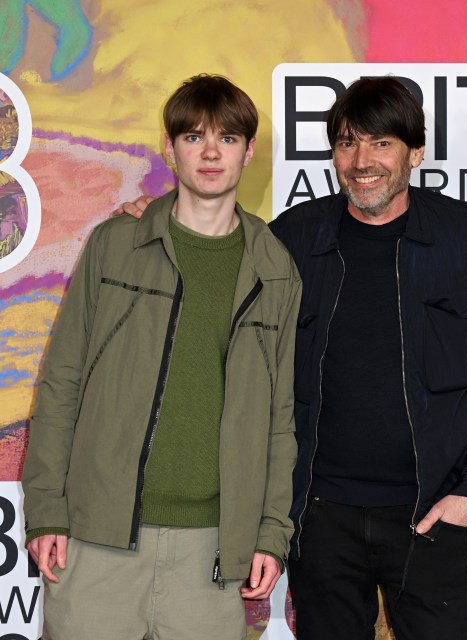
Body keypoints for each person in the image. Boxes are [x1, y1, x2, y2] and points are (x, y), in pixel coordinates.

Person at [21, 74, 300, 639]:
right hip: (98, 535)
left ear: (249, 150)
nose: (211, 152)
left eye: (227, 137)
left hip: (215, 550)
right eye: (194, 137)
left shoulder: (276, 269)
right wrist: (47, 508)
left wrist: (271, 531)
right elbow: (61, 383)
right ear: (169, 149)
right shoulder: (115, 245)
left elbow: (279, 420)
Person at [269, 77, 467, 639]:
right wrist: (152, 213)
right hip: (321, 514)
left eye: (381, 143)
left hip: (432, 514)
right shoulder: (293, 237)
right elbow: (217, 243)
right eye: (347, 143)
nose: (362, 161)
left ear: (416, 152)